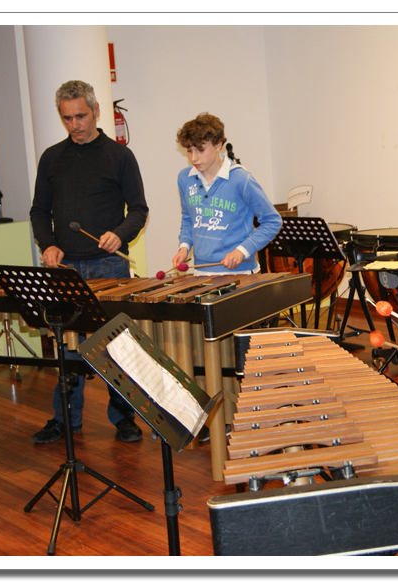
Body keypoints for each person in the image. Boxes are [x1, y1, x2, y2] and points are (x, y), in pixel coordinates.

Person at [29, 80, 148, 444]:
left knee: (116, 347)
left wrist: (119, 234)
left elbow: (138, 210)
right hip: (66, 269)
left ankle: (124, 417)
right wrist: (48, 244)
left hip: (108, 266)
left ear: (96, 111)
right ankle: (66, 418)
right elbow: (39, 211)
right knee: (68, 348)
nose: (75, 124)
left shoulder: (119, 156)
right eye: (67, 118)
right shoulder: (52, 157)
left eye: (81, 116)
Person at [171, 113, 281, 274]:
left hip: (240, 273)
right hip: (201, 271)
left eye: (200, 150)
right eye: (189, 151)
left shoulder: (241, 179)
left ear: (218, 145)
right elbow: (189, 219)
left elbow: (272, 221)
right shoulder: (185, 178)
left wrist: (242, 251)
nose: (194, 158)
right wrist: (184, 247)